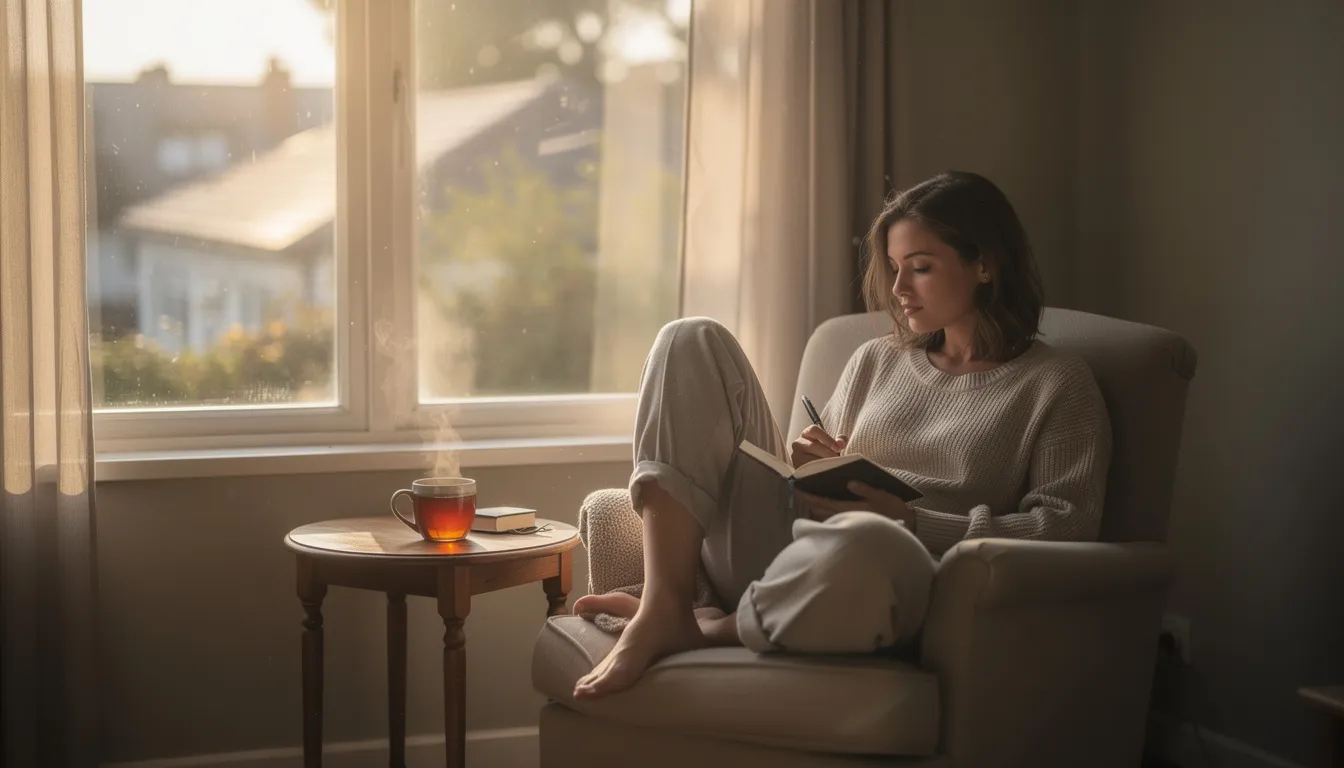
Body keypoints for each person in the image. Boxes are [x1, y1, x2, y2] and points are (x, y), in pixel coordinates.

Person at [570, 171, 1113, 699]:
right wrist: (802, 460)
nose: (898, 289)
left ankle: (711, 629)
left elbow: (1067, 526)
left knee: (869, 539)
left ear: (985, 266)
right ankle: (666, 606)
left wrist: (915, 522)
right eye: (895, 268)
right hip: (791, 546)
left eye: (920, 268)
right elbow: (806, 476)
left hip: (885, 576)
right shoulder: (874, 360)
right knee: (689, 338)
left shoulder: (1057, 384)